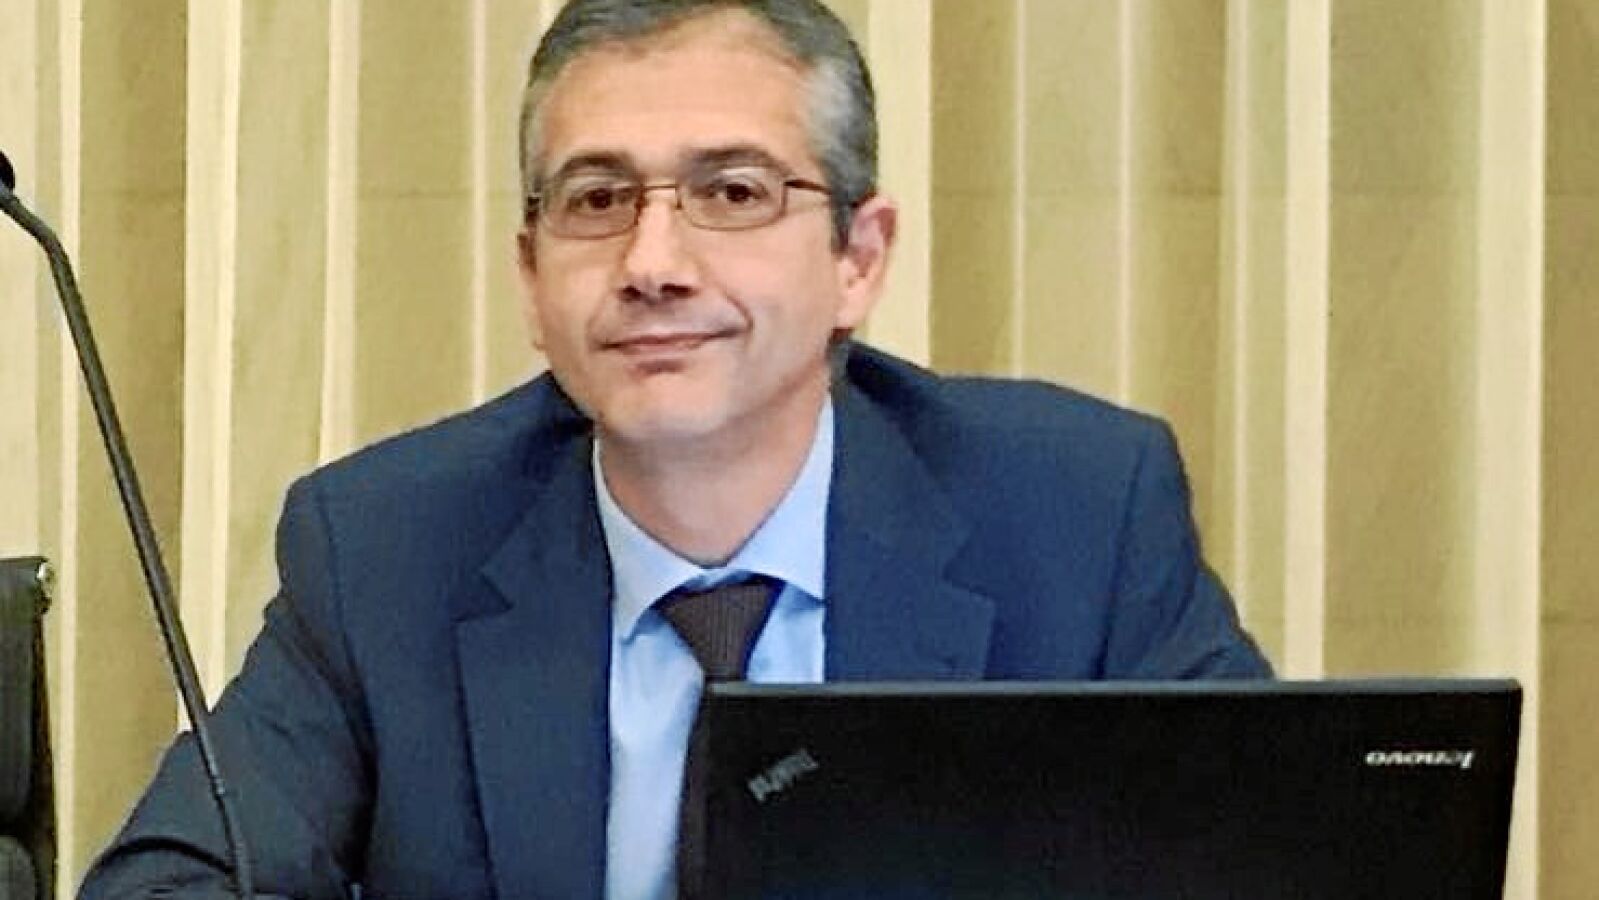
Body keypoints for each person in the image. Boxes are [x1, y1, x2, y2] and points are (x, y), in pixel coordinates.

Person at [80, 1, 1270, 897]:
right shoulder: (387, 549)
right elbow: (168, 882)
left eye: (733, 193)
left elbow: (1285, 857)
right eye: (597, 201)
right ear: (531, 277)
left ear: (858, 259)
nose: (653, 263)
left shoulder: (1076, 519)